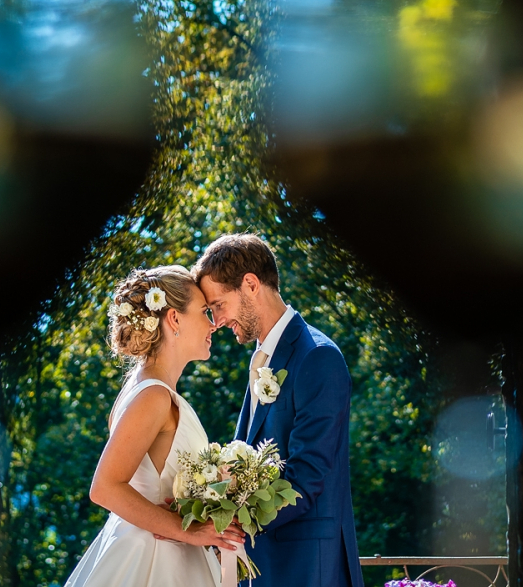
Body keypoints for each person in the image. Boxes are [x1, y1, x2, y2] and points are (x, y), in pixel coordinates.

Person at [194, 235, 363, 587]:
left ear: (251, 284)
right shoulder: (262, 358)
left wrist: (230, 522)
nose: (217, 320)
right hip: (264, 565)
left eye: (218, 305)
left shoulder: (317, 357)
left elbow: (307, 475)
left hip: (306, 567)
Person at [65, 266, 246, 587]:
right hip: (152, 560)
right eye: (205, 312)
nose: (214, 324)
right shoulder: (153, 396)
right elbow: (105, 487)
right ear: (174, 319)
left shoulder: (145, 387)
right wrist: (187, 530)